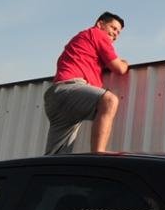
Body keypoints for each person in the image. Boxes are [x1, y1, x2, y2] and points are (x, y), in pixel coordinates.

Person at [43, 12, 129, 155]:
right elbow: (119, 68)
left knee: (57, 156)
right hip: (70, 89)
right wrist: (125, 63)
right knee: (109, 100)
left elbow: (99, 63)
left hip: (56, 97)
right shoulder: (97, 34)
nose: (115, 34)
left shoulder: (84, 40)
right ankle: (98, 152)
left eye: (118, 33)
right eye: (113, 28)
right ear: (100, 24)